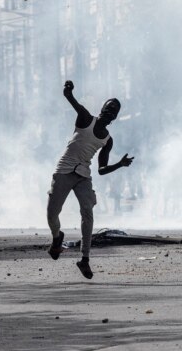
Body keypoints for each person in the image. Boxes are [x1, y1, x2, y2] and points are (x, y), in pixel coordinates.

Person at [47, 81, 134, 279]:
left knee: (88, 214)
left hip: (83, 176)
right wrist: (68, 91)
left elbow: (101, 170)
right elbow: (70, 98)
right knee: (52, 214)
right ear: (102, 108)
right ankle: (56, 238)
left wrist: (119, 164)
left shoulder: (107, 140)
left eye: (115, 111)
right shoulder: (86, 118)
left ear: (115, 118)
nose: (111, 112)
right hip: (64, 170)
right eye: (109, 108)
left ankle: (84, 259)